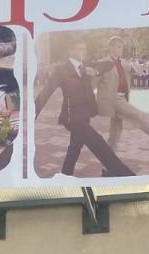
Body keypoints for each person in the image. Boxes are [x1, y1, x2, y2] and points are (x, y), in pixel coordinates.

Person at [34, 38, 135, 178]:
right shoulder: (61, 70)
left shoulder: (86, 66)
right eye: (80, 49)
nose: (83, 52)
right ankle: (125, 175)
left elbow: (108, 64)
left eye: (85, 49)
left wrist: (95, 71)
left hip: (85, 115)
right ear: (71, 51)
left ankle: (65, 174)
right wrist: (32, 115)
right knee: (99, 144)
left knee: (75, 147)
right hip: (72, 118)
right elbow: (46, 92)